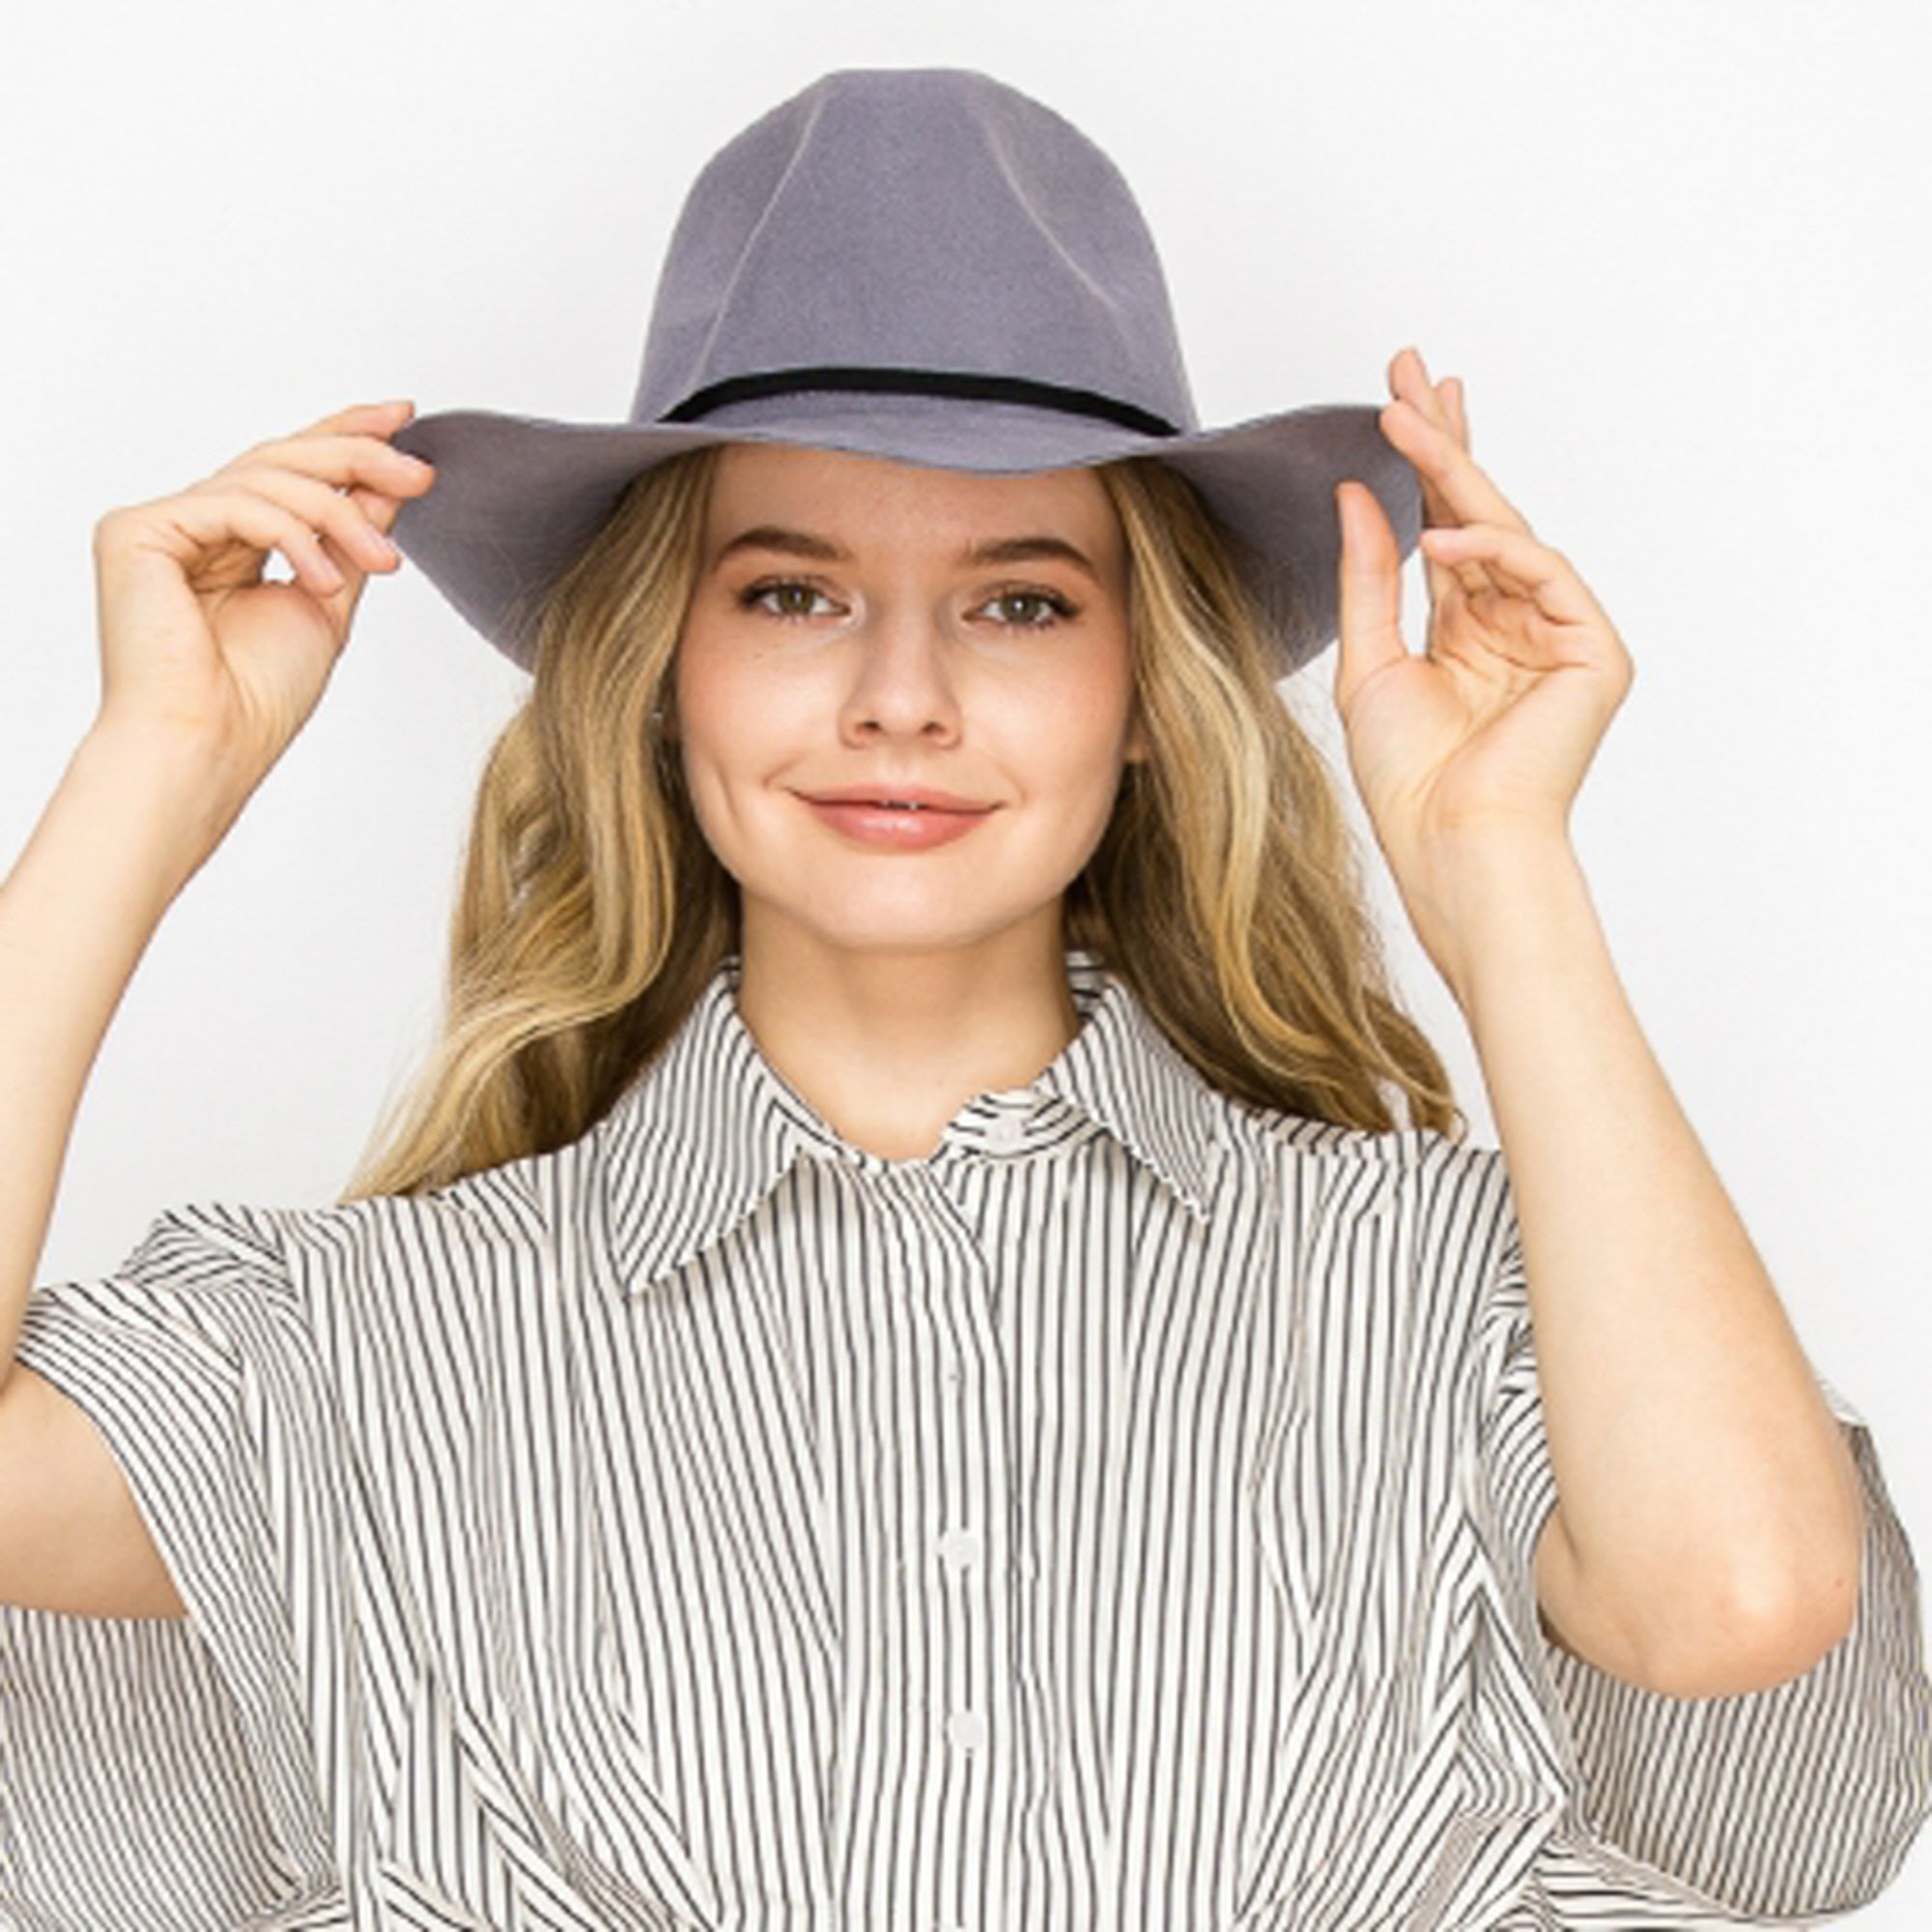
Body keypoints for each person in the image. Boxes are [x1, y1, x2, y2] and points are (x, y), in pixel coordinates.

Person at [1, 64, 1926, 1932]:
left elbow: (1738, 1609)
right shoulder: (365, 1348)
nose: (900, 696)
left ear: (1146, 692)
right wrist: (150, 767)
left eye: (1019, 600)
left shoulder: (1446, 1288)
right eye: (789, 592)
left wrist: (1503, 869)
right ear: (661, 670)